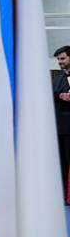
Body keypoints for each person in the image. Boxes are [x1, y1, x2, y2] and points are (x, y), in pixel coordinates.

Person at [52, 46, 70, 203]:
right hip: (59, 127)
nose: (60, 62)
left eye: (63, 58)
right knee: (61, 163)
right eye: (58, 59)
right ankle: (63, 194)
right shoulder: (56, 79)